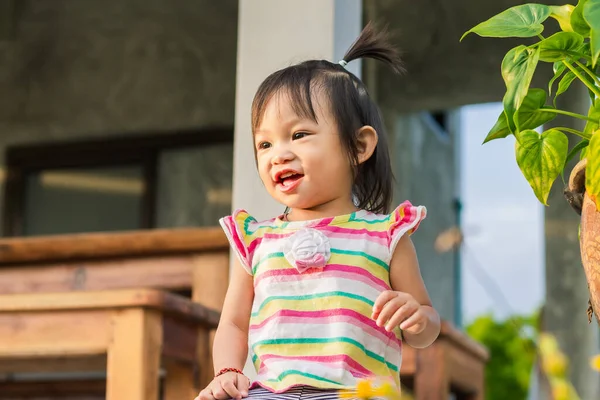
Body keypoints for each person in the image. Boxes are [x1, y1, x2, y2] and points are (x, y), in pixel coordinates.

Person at [195, 22, 441, 400]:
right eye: (264, 144)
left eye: (298, 135)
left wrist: (417, 316)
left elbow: (424, 327)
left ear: (359, 146)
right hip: (271, 392)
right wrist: (227, 371)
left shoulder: (384, 236)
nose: (278, 154)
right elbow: (232, 322)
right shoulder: (257, 241)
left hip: (357, 393)